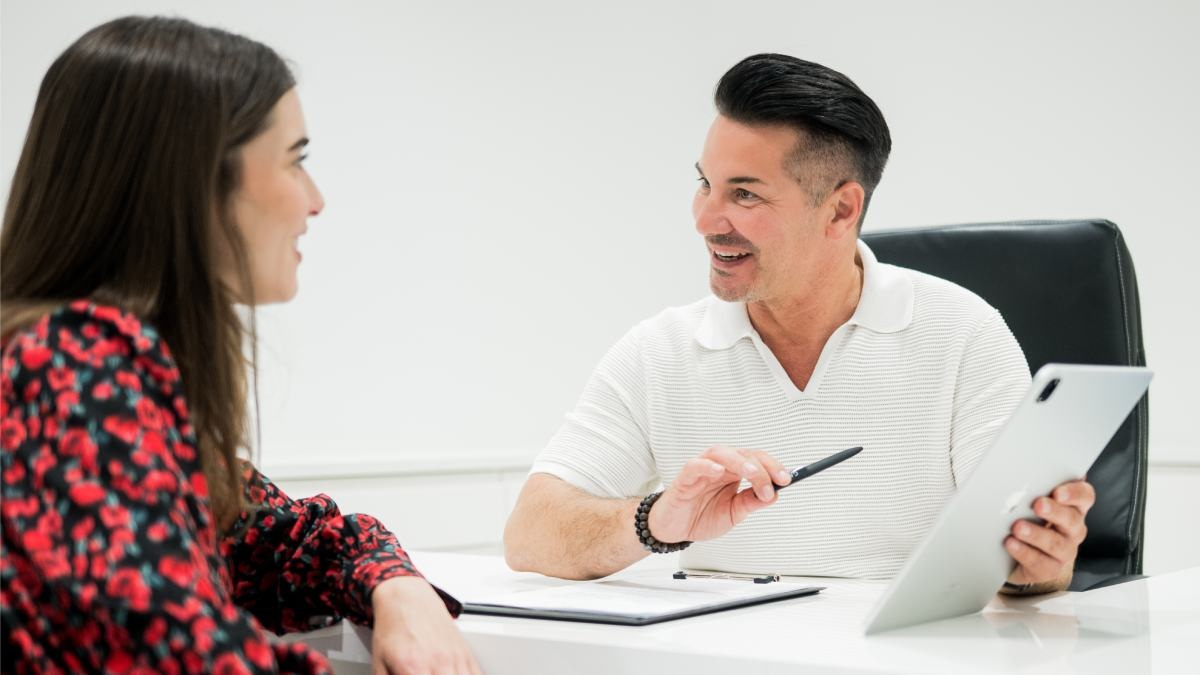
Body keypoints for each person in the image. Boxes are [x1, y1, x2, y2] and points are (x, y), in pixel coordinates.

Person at [504, 53, 1094, 595]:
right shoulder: (657, 351)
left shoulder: (965, 335)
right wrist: (657, 519)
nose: (706, 219)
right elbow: (529, 536)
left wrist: (1038, 566)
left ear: (841, 209)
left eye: (746, 195)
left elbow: (1021, 560)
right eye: (705, 182)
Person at [0, 16, 480, 675]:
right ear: (197, 181)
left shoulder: (88, 371)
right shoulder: (71, 369)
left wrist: (397, 584)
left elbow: (291, 542)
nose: (316, 201)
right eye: (296, 160)